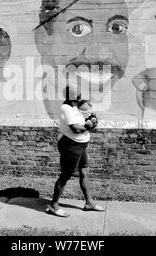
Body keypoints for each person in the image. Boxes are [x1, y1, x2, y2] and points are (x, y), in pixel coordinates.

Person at [46, 85, 103, 217]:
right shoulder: (66, 108)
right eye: (78, 96)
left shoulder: (74, 107)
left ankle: (89, 203)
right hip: (71, 145)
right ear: (72, 98)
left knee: (84, 172)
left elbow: (85, 115)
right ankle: (54, 205)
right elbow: (76, 129)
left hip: (81, 144)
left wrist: (91, 119)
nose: (80, 98)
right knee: (66, 174)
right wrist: (90, 126)